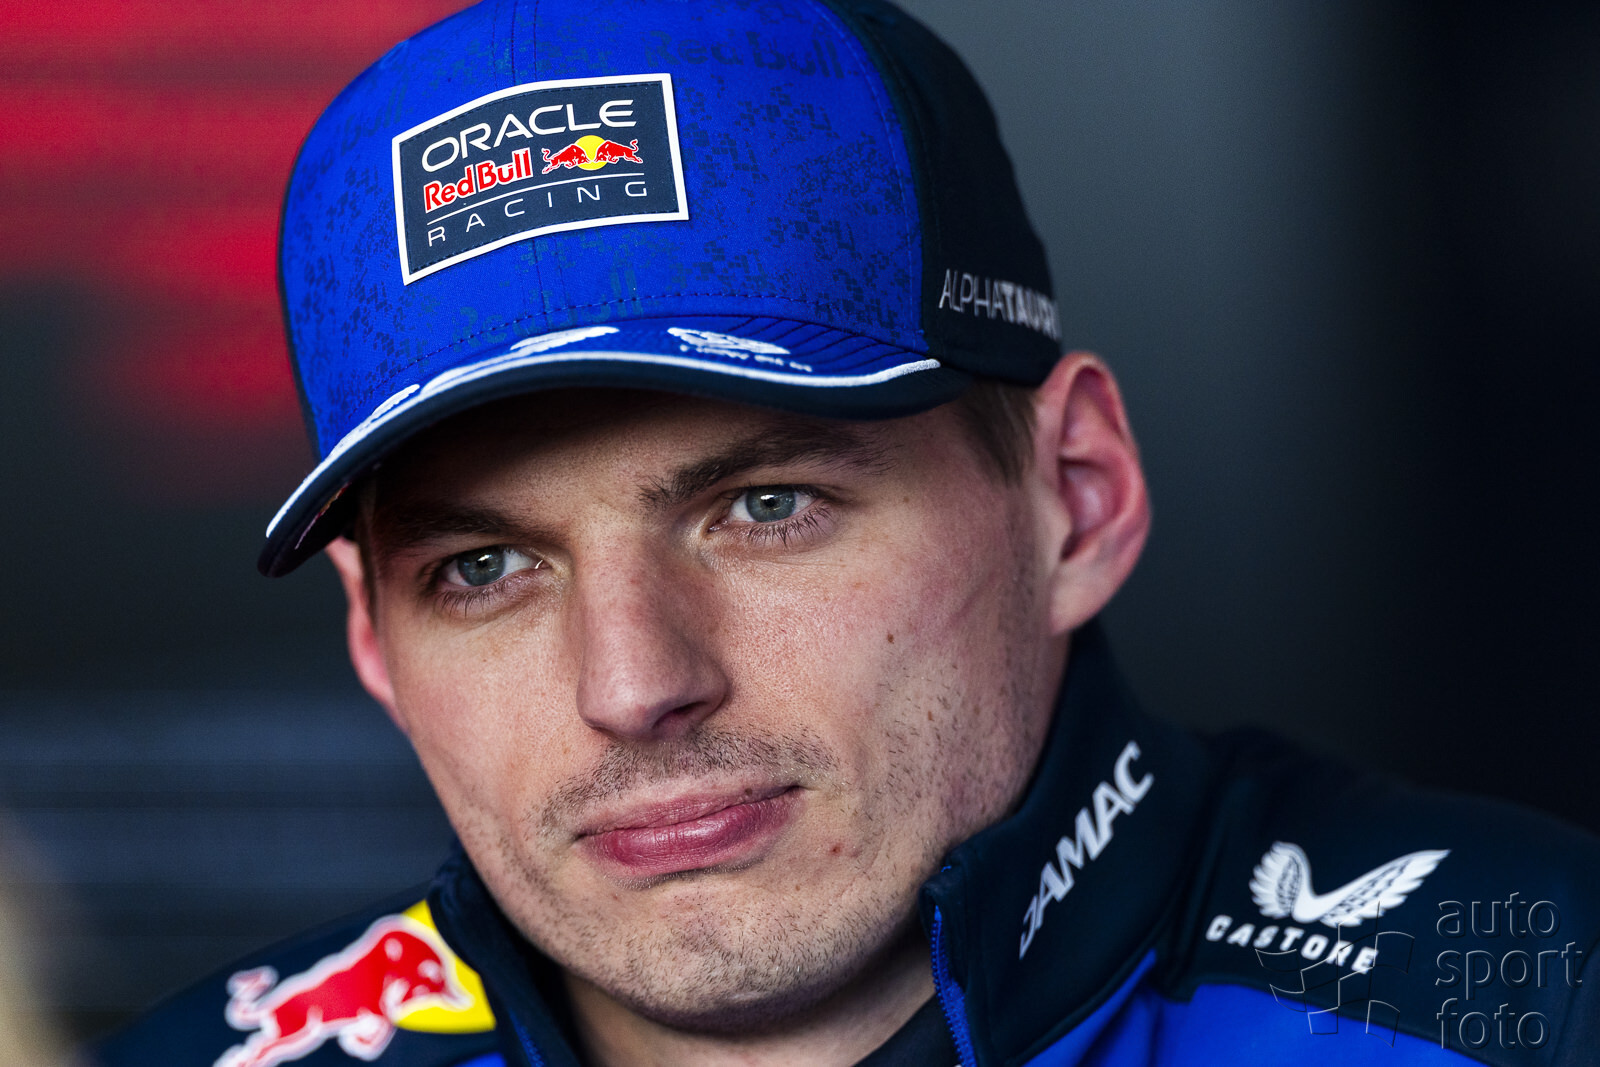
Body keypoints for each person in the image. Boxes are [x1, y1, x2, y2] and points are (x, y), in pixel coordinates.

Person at [95, 1, 1600, 1065]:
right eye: (482, 569)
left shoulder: (1536, 994)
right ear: (373, 637)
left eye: (766, 508)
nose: (633, 684)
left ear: (1077, 497)